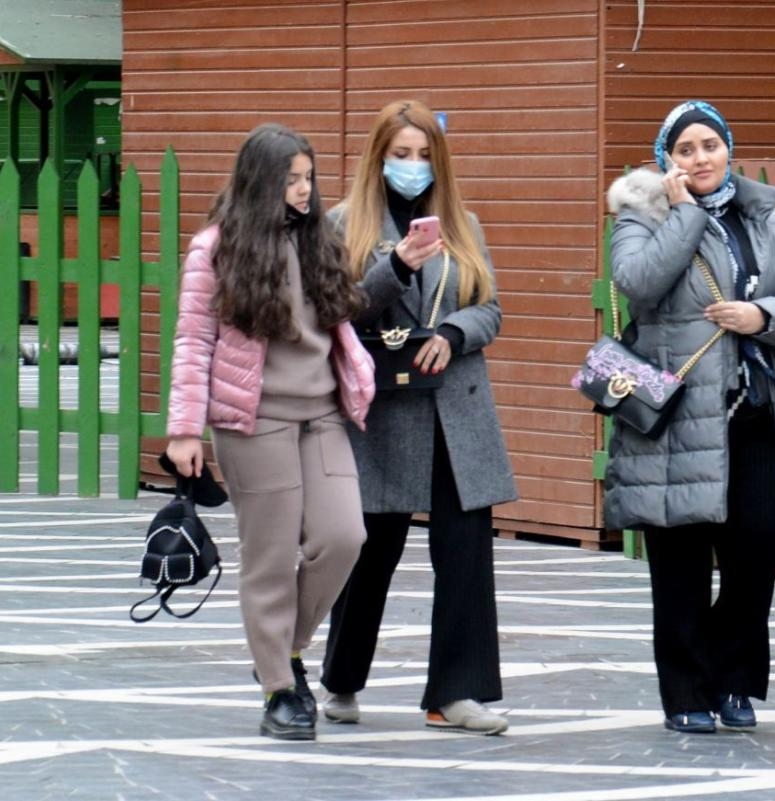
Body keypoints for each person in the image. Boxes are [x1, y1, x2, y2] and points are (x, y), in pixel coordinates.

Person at [603, 100, 775, 734]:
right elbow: (637, 283)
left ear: (729, 149)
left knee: (757, 556)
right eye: (685, 149)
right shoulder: (640, 215)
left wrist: (765, 318)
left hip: (755, 411)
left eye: (710, 145)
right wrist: (687, 215)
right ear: (666, 158)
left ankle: (732, 679)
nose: (700, 158)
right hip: (677, 418)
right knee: (681, 568)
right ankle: (687, 694)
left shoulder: (767, 218)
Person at [165, 123, 375, 741]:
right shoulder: (216, 248)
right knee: (270, 559)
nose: (304, 191)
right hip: (253, 423)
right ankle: (279, 690)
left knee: (344, 537)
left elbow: (345, 313)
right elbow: (193, 340)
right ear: (262, 183)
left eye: (309, 178)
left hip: (324, 414)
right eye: (291, 180)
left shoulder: (320, 240)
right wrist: (184, 430)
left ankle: (287, 649)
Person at [320, 99, 516, 735]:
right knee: (370, 554)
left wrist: (456, 331)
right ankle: (343, 679)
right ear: (377, 156)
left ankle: (455, 695)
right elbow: (335, 311)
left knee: (464, 552)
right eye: (400, 154)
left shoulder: (462, 223)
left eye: (425, 154)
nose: (413, 166)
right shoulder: (343, 223)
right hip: (381, 411)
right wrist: (397, 264)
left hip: (456, 409)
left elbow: (490, 308)